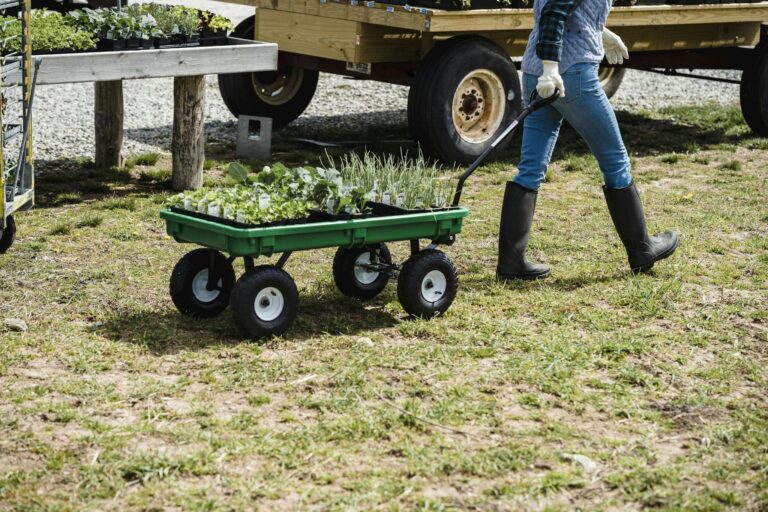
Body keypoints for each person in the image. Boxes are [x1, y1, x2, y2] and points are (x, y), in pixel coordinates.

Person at [496, 0, 679, 280]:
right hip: (568, 75)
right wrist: (551, 68)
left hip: (536, 73)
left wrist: (600, 31)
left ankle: (511, 263)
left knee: (530, 168)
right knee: (614, 159)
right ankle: (642, 248)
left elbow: (567, 11)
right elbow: (554, 11)